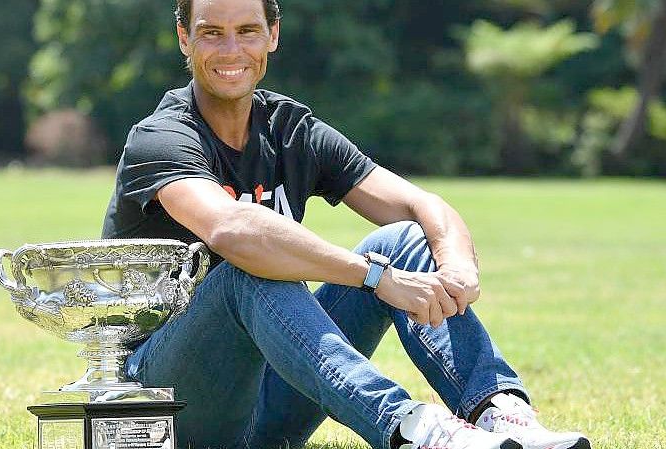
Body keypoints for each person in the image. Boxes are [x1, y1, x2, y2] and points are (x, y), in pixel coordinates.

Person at [101, 0, 591, 448]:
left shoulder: (290, 130)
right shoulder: (160, 137)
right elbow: (235, 231)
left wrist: (457, 267)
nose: (232, 49)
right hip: (169, 404)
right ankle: (413, 429)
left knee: (401, 240)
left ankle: (499, 413)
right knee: (246, 271)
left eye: (248, 30)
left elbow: (422, 206)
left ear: (273, 34)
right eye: (212, 33)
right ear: (185, 40)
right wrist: (375, 277)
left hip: (273, 399)